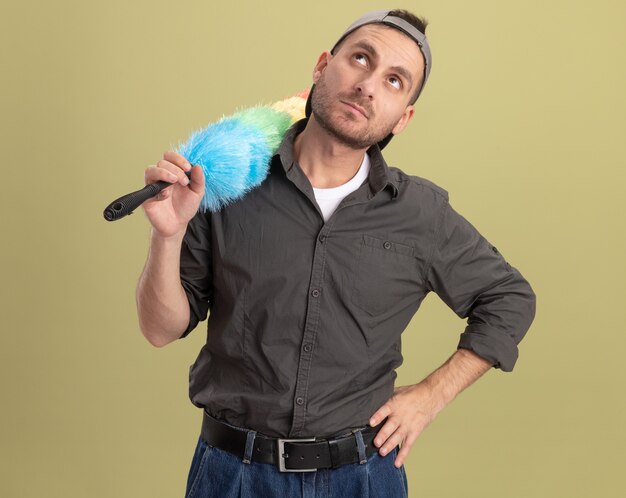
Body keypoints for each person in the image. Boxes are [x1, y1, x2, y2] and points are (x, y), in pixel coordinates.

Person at [136, 9, 536, 498]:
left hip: (363, 479)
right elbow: (160, 329)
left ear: (403, 117)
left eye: (394, 80)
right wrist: (167, 234)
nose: (368, 85)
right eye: (360, 58)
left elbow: (509, 297)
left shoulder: (421, 213)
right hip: (231, 475)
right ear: (322, 66)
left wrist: (431, 395)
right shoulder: (226, 187)